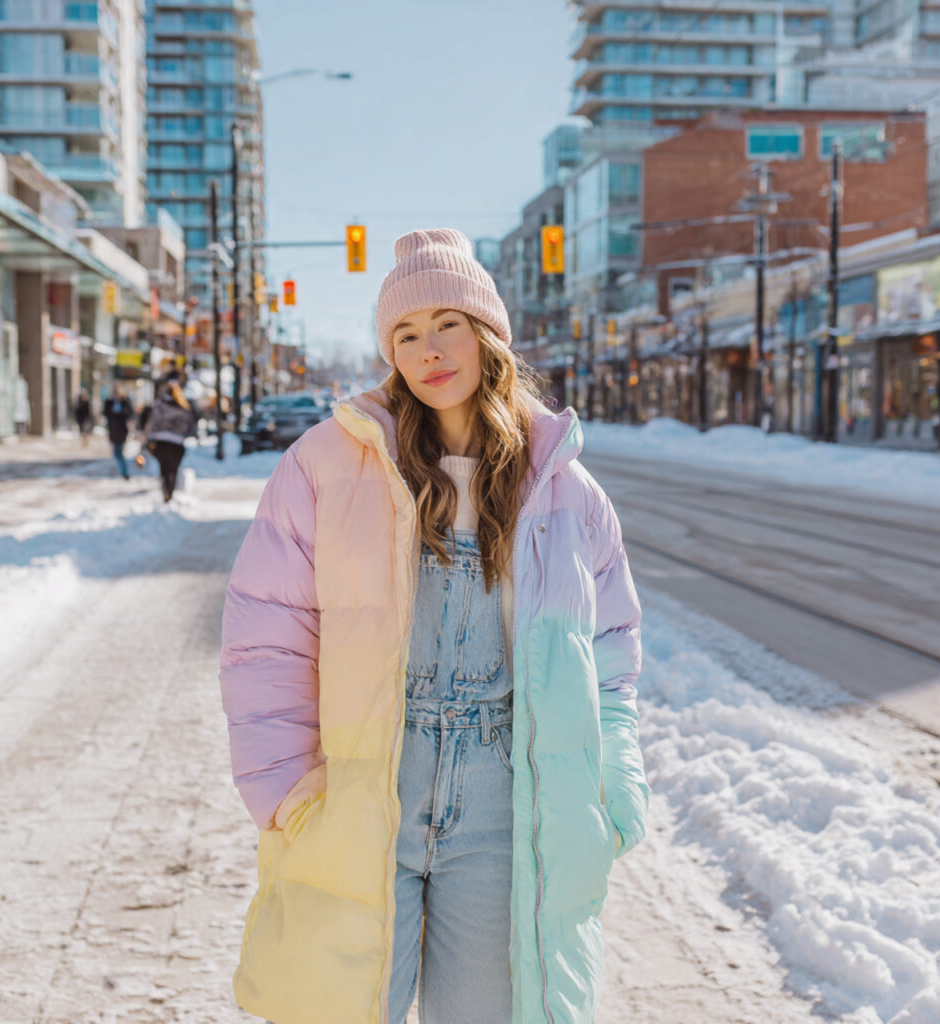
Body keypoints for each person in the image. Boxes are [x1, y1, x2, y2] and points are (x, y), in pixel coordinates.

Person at [219, 229, 648, 1024]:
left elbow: (611, 654)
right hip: (362, 791)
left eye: (447, 323)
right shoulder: (326, 465)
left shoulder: (565, 491)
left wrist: (612, 785)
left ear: (488, 337)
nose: (429, 350)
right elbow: (267, 636)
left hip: (499, 807)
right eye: (406, 335)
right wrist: (282, 786)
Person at [143, 381, 196, 501]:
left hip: (160, 442)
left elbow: (152, 423)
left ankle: (165, 491)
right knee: (173, 470)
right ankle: (170, 492)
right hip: (177, 443)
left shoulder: (159, 405)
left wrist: (148, 437)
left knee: (164, 469)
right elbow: (191, 426)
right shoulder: (183, 407)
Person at [102, 386, 133, 480]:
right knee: (117, 453)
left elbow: (129, 413)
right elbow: (105, 413)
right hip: (113, 430)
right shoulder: (109, 403)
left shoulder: (125, 403)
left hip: (122, 431)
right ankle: (123, 470)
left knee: (118, 452)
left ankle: (124, 471)